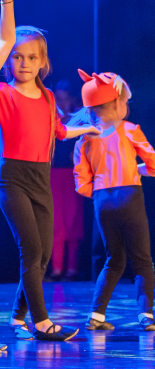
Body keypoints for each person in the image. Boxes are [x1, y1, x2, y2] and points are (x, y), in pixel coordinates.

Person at [0, 0, 99, 342]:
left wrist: (86, 128)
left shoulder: (47, 97)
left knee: (42, 257)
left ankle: (17, 318)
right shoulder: (4, 94)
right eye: (17, 56)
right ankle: (42, 323)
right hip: (12, 178)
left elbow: (58, 131)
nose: (24, 62)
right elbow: (3, 41)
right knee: (32, 250)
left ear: (43, 62)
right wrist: (7, 2)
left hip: (41, 178)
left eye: (32, 57)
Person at [72, 70, 155, 331]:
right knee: (142, 260)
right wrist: (138, 170)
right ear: (115, 104)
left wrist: (102, 192)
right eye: (124, 101)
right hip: (130, 196)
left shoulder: (84, 140)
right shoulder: (130, 130)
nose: (126, 106)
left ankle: (96, 316)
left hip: (102, 201)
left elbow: (82, 184)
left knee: (113, 260)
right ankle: (146, 316)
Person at [48, 80, 85, 281]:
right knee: (57, 221)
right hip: (54, 174)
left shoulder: (79, 119)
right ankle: (56, 269)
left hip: (73, 174)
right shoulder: (50, 117)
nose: (61, 103)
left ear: (72, 99)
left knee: (73, 220)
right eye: (58, 99)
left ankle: (72, 269)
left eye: (64, 98)